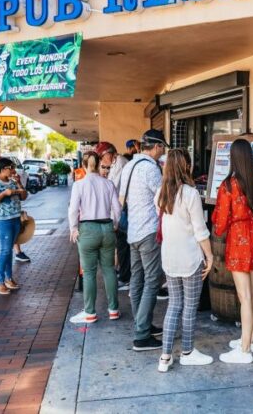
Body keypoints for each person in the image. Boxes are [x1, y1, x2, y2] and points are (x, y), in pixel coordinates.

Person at [212, 138, 253, 364]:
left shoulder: (228, 186)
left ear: (233, 158)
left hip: (238, 241)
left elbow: (220, 222)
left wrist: (218, 221)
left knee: (244, 297)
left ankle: (244, 350)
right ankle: (251, 339)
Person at [155, 149, 214, 372]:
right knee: (189, 307)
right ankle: (187, 352)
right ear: (185, 166)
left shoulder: (160, 194)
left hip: (169, 258)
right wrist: (210, 257)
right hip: (190, 258)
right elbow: (200, 231)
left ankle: (165, 357)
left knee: (174, 305)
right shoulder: (189, 194)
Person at [118, 129, 167, 351]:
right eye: (162, 148)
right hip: (148, 231)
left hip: (133, 231)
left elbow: (121, 198)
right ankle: (141, 334)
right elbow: (163, 198)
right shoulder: (150, 168)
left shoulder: (129, 166)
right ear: (156, 147)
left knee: (137, 280)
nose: (163, 152)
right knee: (152, 280)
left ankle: (143, 323)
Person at [68, 152, 122, 324]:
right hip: (106, 227)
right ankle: (113, 309)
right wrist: (114, 223)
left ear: (84, 166)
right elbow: (117, 209)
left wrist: (73, 228)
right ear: (99, 164)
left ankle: (90, 312)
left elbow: (73, 209)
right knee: (109, 270)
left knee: (89, 273)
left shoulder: (79, 185)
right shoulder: (108, 184)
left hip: (88, 229)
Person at [0, 158, 28, 295]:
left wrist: (19, 183)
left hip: (15, 218)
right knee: (5, 250)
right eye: (11, 167)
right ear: (3, 169)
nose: (13, 170)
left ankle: (8, 278)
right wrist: (3, 194)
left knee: (8, 250)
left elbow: (24, 196)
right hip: (1, 220)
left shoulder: (13, 182)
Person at [97, 141, 131, 291]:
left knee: (123, 244)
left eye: (102, 156)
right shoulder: (115, 163)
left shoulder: (120, 163)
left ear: (109, 153)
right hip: (120, 208)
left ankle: (125, 277)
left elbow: (112, 187)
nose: (101, 161)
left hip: (124, 208)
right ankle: (123, 274)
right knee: (121, 243)